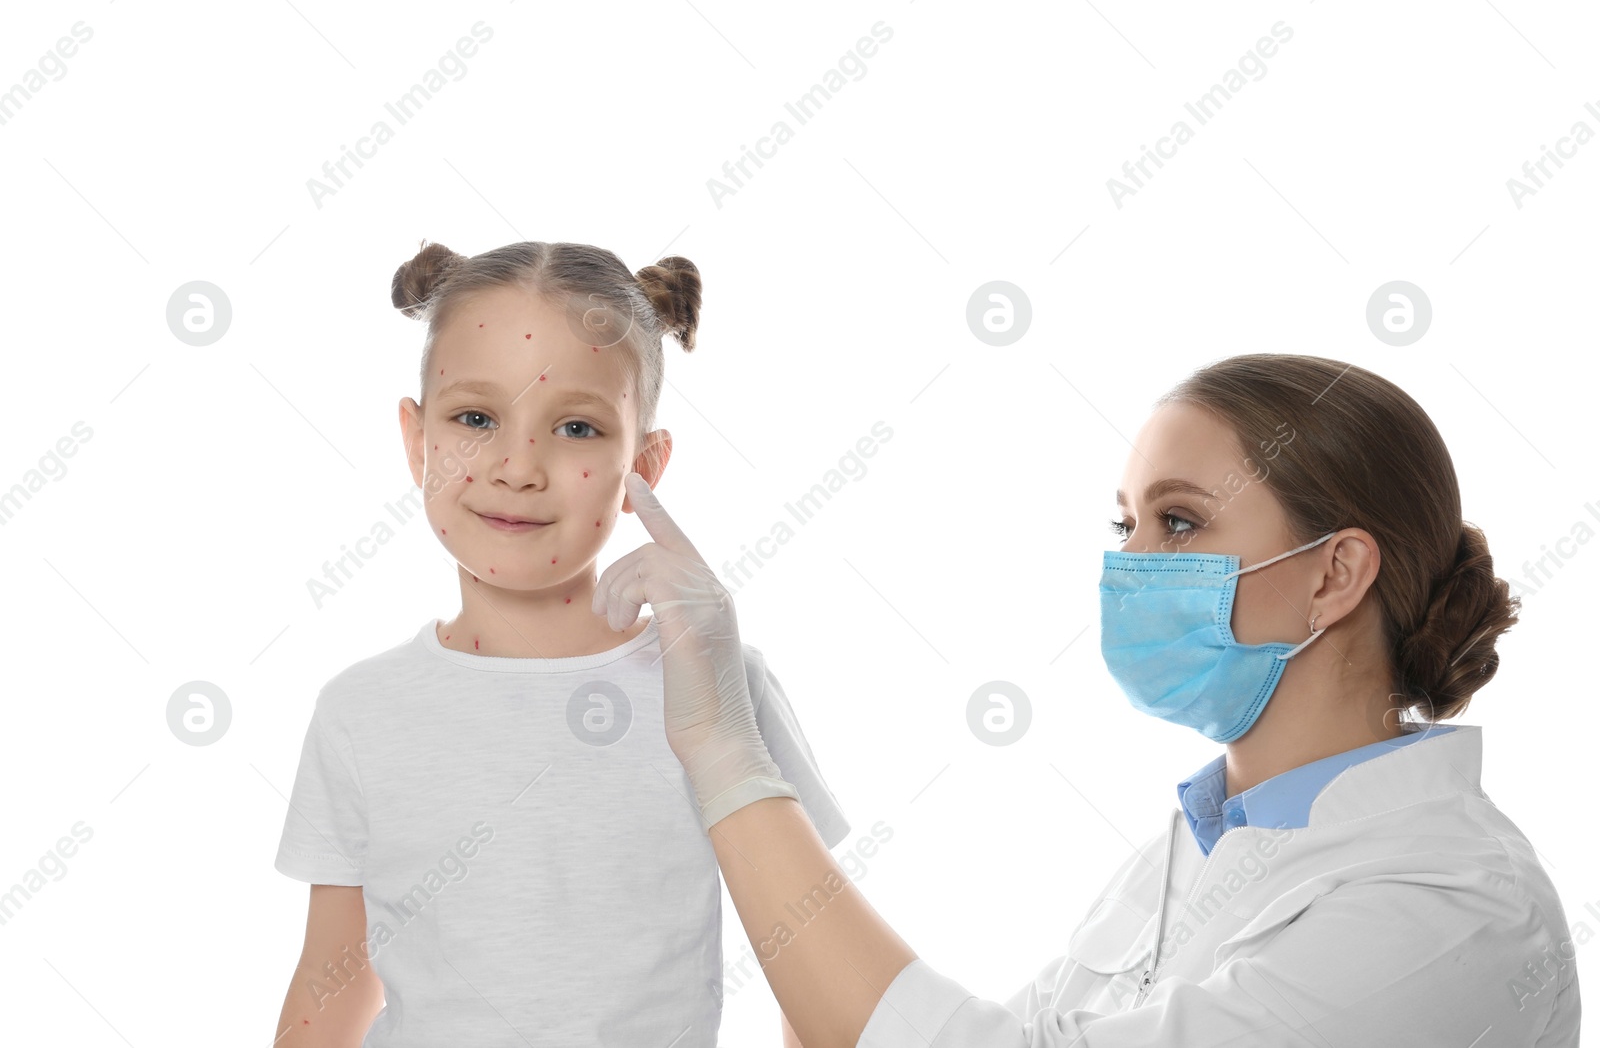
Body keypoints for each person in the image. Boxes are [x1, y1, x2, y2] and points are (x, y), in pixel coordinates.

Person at [595, 353, 1582, 1046]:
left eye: (1180, 521)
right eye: (1126, 523)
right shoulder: (1186, 851)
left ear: (1334, 575)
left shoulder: (1453, 905)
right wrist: (760, 775)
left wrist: (732, 762)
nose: (1129, 567)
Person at [271, 240, 850, 1046]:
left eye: (576, 427)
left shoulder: (718, 690)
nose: (519, 466)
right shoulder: (360, 712)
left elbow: (812, 970)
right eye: (475, 418)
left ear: (643, 464)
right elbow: (331, 976)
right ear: (417, 441)